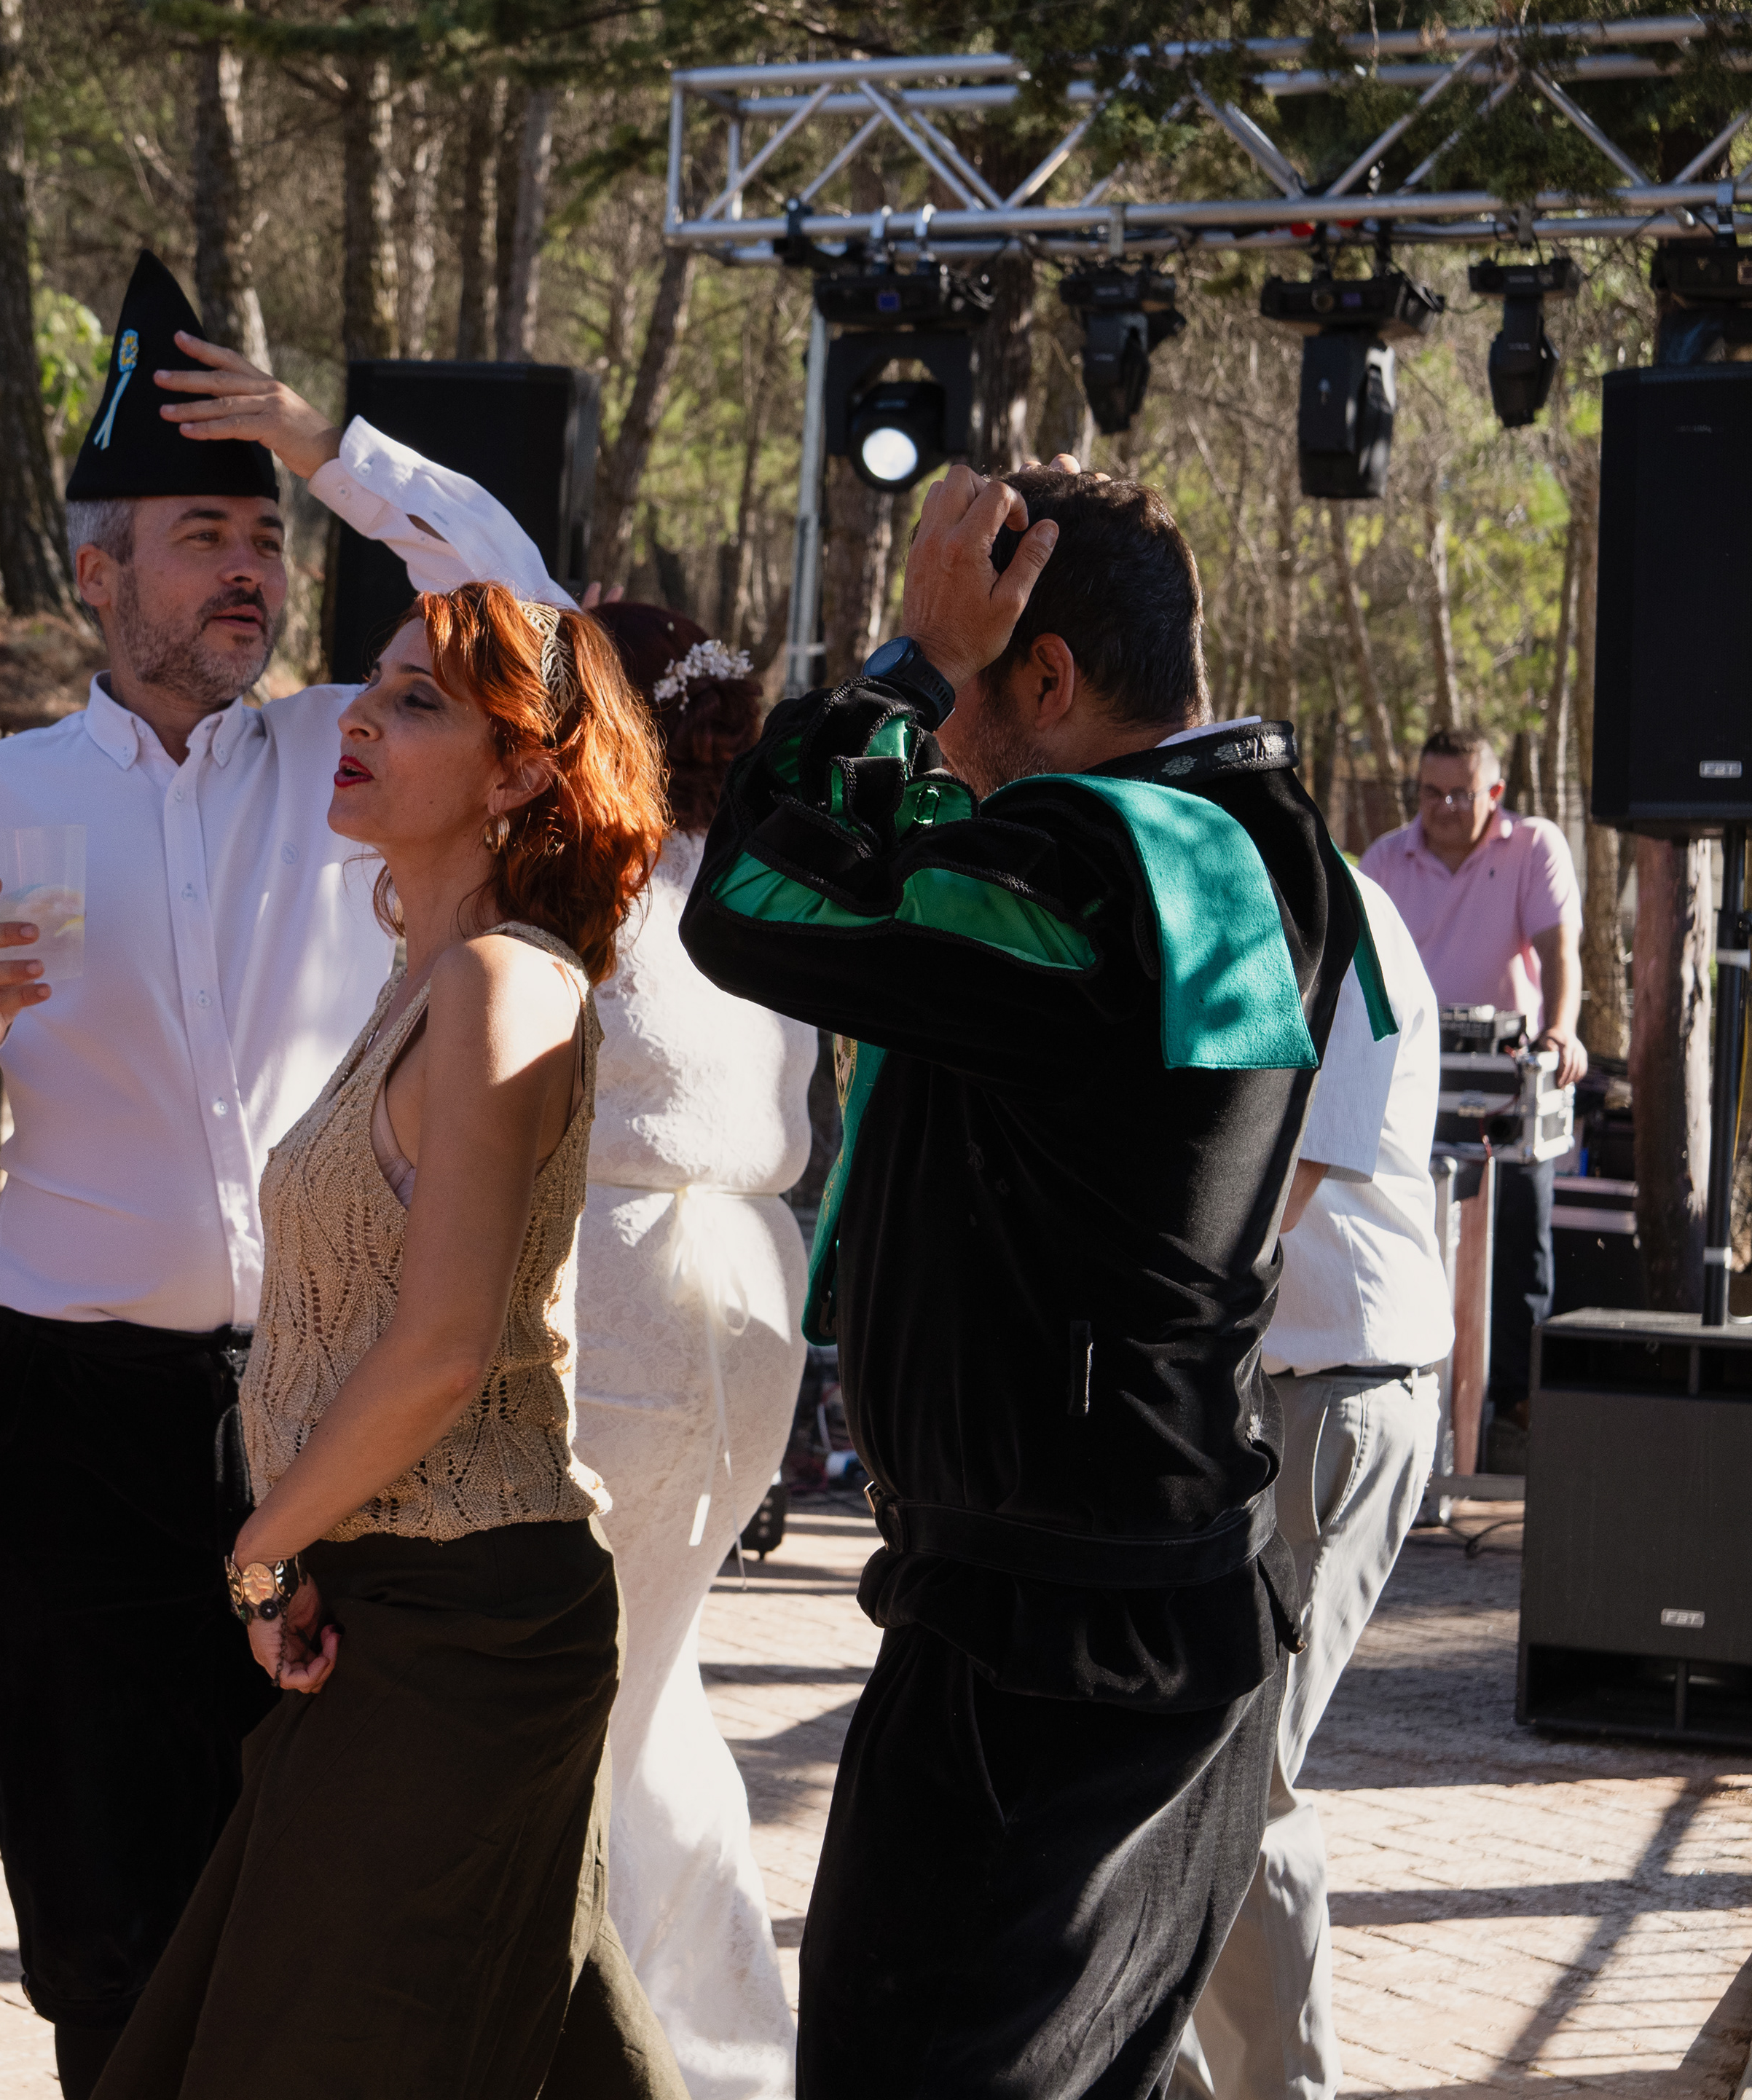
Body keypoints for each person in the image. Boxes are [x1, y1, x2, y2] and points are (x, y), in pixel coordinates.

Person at [0, 251, 576, 2096]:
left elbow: (528, 617)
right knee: (106, 1923)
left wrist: (326, 449)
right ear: (96, 573)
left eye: (264, 537)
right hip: (67, 1426)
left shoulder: (348, 753)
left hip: (325, 1404)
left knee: (308, 1894)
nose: (251, 568)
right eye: (203, 534)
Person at [681, 462, 1384, 2100]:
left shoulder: (1103, 863)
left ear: (1048, 674)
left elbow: (761, 893)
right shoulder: (1246, 838)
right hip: (1159, 1603)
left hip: (1050, 1653)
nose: (944, 743)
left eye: (975, 690)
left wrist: (908, 663)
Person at [97, 580, 683, 2099]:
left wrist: (260, 1549)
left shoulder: (500, 984)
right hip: (395, 1597)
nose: (357, 716)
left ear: (520, 771)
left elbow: (442, 1348)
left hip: (468, 1617)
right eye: (369, 683)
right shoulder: (427, 983)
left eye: (418, 699)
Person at [565, 602, 809, 2100]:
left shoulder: (605, 888)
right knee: (653, 1689)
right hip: (744, 1309)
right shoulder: (755, 885)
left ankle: (632, 2044)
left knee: (591, 1701)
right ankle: (721, 2045)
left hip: (627, 1318)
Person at [1174, 871, 1452, 2100]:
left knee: (1246, 1771)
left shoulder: (1329, 906)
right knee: (1204, 1761)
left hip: (1334, 1388)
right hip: (1280, 1380)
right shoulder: (1268, 886)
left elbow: (1281, 1182)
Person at [1359, 727, 1584, 1426]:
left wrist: (1560, 1030)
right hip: (1408, 1086)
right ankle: (1409, 1395)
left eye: (1461, 793)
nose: (1445, 808)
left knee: (1518, 1237)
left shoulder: (1534, 846)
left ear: (1495, 791)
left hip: (1504, 1089)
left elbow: (1560, 950)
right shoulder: (1385, 858)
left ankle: (1516, 1402)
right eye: (1431, 793)